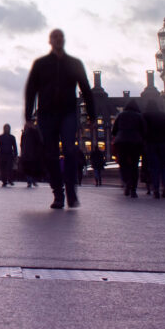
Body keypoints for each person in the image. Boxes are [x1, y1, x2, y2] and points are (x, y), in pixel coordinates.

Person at [24, 29, 97, 209]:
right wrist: (28, 116)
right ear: (50, 41)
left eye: (60, 37)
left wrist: (92, 115)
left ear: (63, 40)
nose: (58, 40)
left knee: (70, 150)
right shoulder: (41, 64)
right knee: (51, 155)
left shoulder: (74, 63)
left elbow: (86, 89)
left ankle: (71, 191)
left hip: (68, 112)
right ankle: (58, 193)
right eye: (55, 37)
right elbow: (31, 91)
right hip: (46, 114)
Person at [112, 101, 146, 198]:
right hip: (135, 142)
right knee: (134, 165)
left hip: (122, 142)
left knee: (123, 164)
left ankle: (127, 182)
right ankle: (133, 189)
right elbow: (144, 130)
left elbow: (114, 131)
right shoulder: (139, 116)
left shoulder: (120, 115)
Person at [143, 101, 165, 199]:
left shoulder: (145, 116)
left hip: (151, 144)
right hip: (164, 143)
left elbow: (142, 130)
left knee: (154, 167)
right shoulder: (164, 115)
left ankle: (156, 189)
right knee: (164, 166)